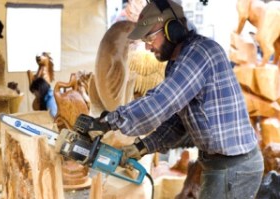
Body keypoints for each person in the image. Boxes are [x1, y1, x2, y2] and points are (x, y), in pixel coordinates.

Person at [80, 0, 264, 198]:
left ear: (172, 29)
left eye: (150, 38)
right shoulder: (177, 64)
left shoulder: (199, 54)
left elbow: (160, 102)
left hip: (235, 165)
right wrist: (142, 146)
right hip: (218, 162)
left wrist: (108, 121)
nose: (148, 47)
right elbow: (179, 121)